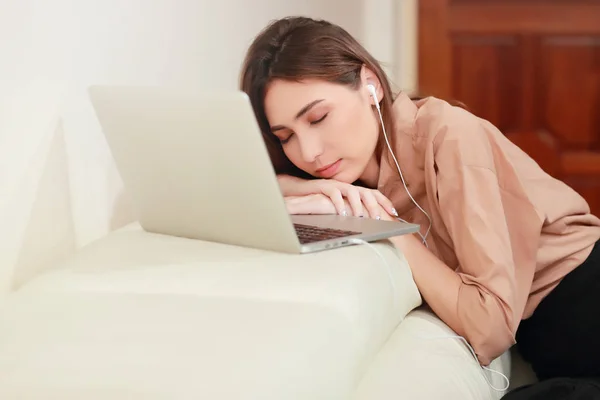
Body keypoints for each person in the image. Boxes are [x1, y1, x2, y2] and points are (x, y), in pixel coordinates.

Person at [239, 16, 600, 398]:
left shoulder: (449, 137)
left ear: (370, 85)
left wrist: (389, 229)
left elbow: (488, 327)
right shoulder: (347, 179)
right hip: (556, 350)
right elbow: (234, 185)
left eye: (319, 117)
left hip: (583, 298)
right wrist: (298, 186)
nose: (308, 152)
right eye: (286, 137)